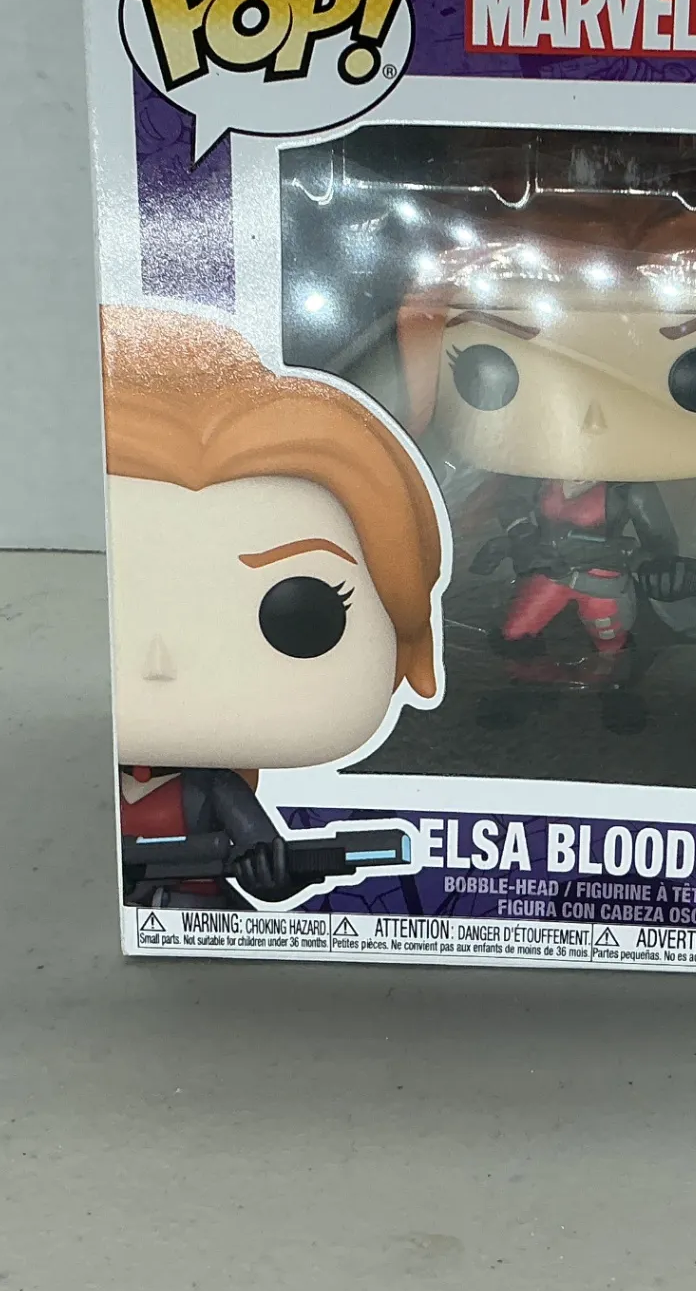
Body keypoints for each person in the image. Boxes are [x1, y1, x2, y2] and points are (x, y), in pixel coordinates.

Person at [101, 305, 446, 907]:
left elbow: (275, 862)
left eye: (302, 616)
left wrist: (272, 870)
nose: (160, 662)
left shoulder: (210, 789)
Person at [396, 189, 696, 665]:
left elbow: (658, 541)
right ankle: (527, 678)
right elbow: (512, 508)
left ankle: (612, 681)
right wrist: (517, 538)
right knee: (516, 632)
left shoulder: (628, 493)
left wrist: (661, 570)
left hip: (606, 581)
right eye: (487, 366)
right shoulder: (535, 484)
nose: (591, 418)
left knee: (610, 640)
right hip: (550, 574)